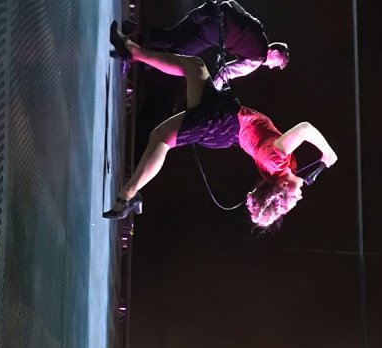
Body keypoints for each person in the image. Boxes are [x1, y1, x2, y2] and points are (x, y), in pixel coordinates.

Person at [104, 25, 336, 228]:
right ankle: (132, 52)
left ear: (283, 184)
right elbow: (296, 181)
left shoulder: (277, 160)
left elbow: (305, 129)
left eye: (295, 198)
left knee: (162, 138)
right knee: (195, 67)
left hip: (222, 123)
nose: (301, 198)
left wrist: (327, 152)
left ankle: (127, 197)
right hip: (227, 119)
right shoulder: (283, 169)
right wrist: (310, 171)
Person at [135, 1, 289, 88]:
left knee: (173, 35)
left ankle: (134, 31)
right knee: (178, 53)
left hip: (211, 10)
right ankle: (135, 56)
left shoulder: (257, 27)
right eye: (275, 64)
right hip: (214, 31)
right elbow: (226, 72)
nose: (271, 67)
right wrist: (213, 92)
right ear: (274, 53)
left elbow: (233, 3)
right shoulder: (258, 58)